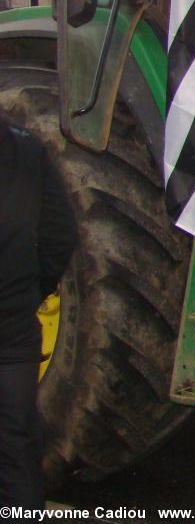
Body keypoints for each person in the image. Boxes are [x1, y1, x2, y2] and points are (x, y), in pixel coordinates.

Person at [0, 115, 78, 508]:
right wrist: (35, 290)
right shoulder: (27, 148)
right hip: (13, 322)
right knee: (15, 447)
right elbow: (60, 233)